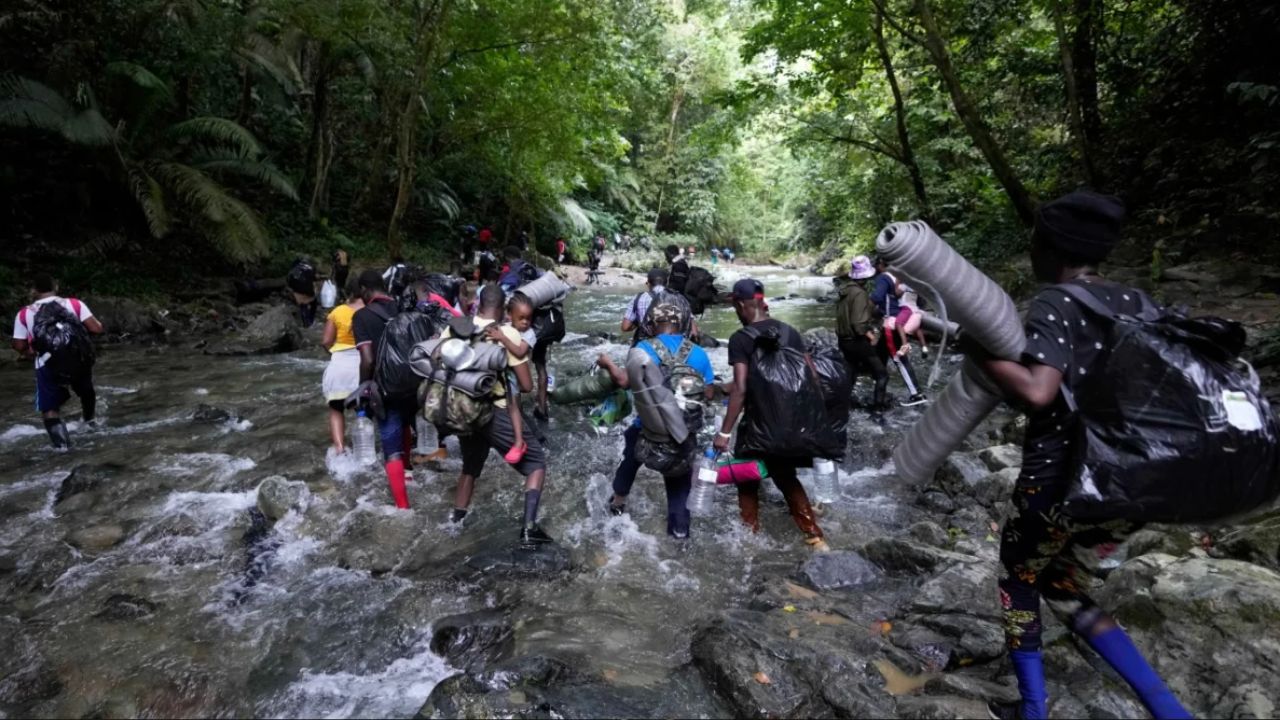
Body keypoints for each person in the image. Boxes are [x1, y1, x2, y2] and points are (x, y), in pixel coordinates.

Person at [964, 192, 1190, 720]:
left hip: (1061, 478)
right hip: (1131, 485)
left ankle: (1033, 709)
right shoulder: (1138, 303)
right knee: (1064, 586)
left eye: (1035, 241)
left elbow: (1039, 391)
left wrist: (978, 351)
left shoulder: (1057, 301)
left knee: (1018, 582)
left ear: (1054, 248)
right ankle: (1169, 710)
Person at [714, 279, 829, 551]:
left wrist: (724, 432)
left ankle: (749, 538)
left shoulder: (741, 338)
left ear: (741, 304)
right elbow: (811, 377)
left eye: (735, 307)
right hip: (789, 422)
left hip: (759, 424)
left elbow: (742, 388)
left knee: (746, 480)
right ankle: (815, 536)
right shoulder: (789, 332)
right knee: (785, 476)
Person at [443, 284, 551, 547]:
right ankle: (528, 529)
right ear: (504, 309)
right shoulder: (507, 332)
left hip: (462, 408)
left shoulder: (454, 327)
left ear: (478, 303)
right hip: (495, 411)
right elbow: (526, 386)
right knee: (536, 464)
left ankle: (455, 521)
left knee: (470, 467)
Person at [603, 302, 715, 539]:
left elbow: (625, 382)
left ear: (652, 326)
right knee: (679, 487)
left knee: (630, 457)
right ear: (681, 324)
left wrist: (608, 364)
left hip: (648, 430)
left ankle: (618, 502)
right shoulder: (698, 353)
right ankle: (680, 533)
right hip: (683, 435)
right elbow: (708, 393)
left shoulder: (643, 348)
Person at [12, 274, 103, 448]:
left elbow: (18, 344)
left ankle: (63, 449)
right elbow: (96, 329)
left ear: (34, 291)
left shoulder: (24, 313)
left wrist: (30, 353)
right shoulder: (75, 304)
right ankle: (90, 423)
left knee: (50, 409)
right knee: (86, 392)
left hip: (46, 363)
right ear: (56, 287)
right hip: (78, 359)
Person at [352, 270, 415, 509]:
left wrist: (363, 388)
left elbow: (367, 359)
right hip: (414, 382)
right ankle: (408, 474)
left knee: (390, 444)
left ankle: (403, 508)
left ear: (365, 290)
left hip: (387, 386)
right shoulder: (403, 308)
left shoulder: (362, 316)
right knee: (406, 423)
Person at [482, 292, 539, 464]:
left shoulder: (529, 334)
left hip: (514, 374)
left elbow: (520, 351)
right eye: (521, 318)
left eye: (528, 318)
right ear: (509, 315)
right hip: (502, 372)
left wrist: (502, 338)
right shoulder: (505, 325)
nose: (525, 322)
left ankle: (519, 442)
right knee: (513, 406)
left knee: (513, 406)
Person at [835, 256, 889, 417]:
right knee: (882, 374)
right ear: (866, 276)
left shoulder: (845, 290)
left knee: (851, 373)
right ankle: (878, 409)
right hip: (857, 341)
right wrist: (870, 335)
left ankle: (844, 404)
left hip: (843, 341)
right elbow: (858, 324)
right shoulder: (859, 294)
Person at [870, 255, 926, 406]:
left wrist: (862, 304)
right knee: (878, 356)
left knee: (898, 359)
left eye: (876, 264)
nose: (875, 268)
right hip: (894, 320)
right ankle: (879, 394)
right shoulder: (898, 277)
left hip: (890, 323)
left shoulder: (883, 278)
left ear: (881, 264)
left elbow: (877, 297)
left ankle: (917, 394)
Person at [321, 276, 365, 453]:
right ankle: (365, 447)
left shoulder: (338, 311)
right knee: (363, 411)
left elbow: (326, 341)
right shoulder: (372, 310)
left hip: (339, 365)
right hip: (363, 365)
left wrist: (334, 353)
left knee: (336, 408)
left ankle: (339, 447)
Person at [287, 257, 319, 328]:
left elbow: (289, 282)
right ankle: (311, 320)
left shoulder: (293, 269)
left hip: (297, 287)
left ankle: (306, 323)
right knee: (313, 303)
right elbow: (314, 280)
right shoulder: (310, 267)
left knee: (302, 304)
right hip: (308, 288)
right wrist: (315, 290)